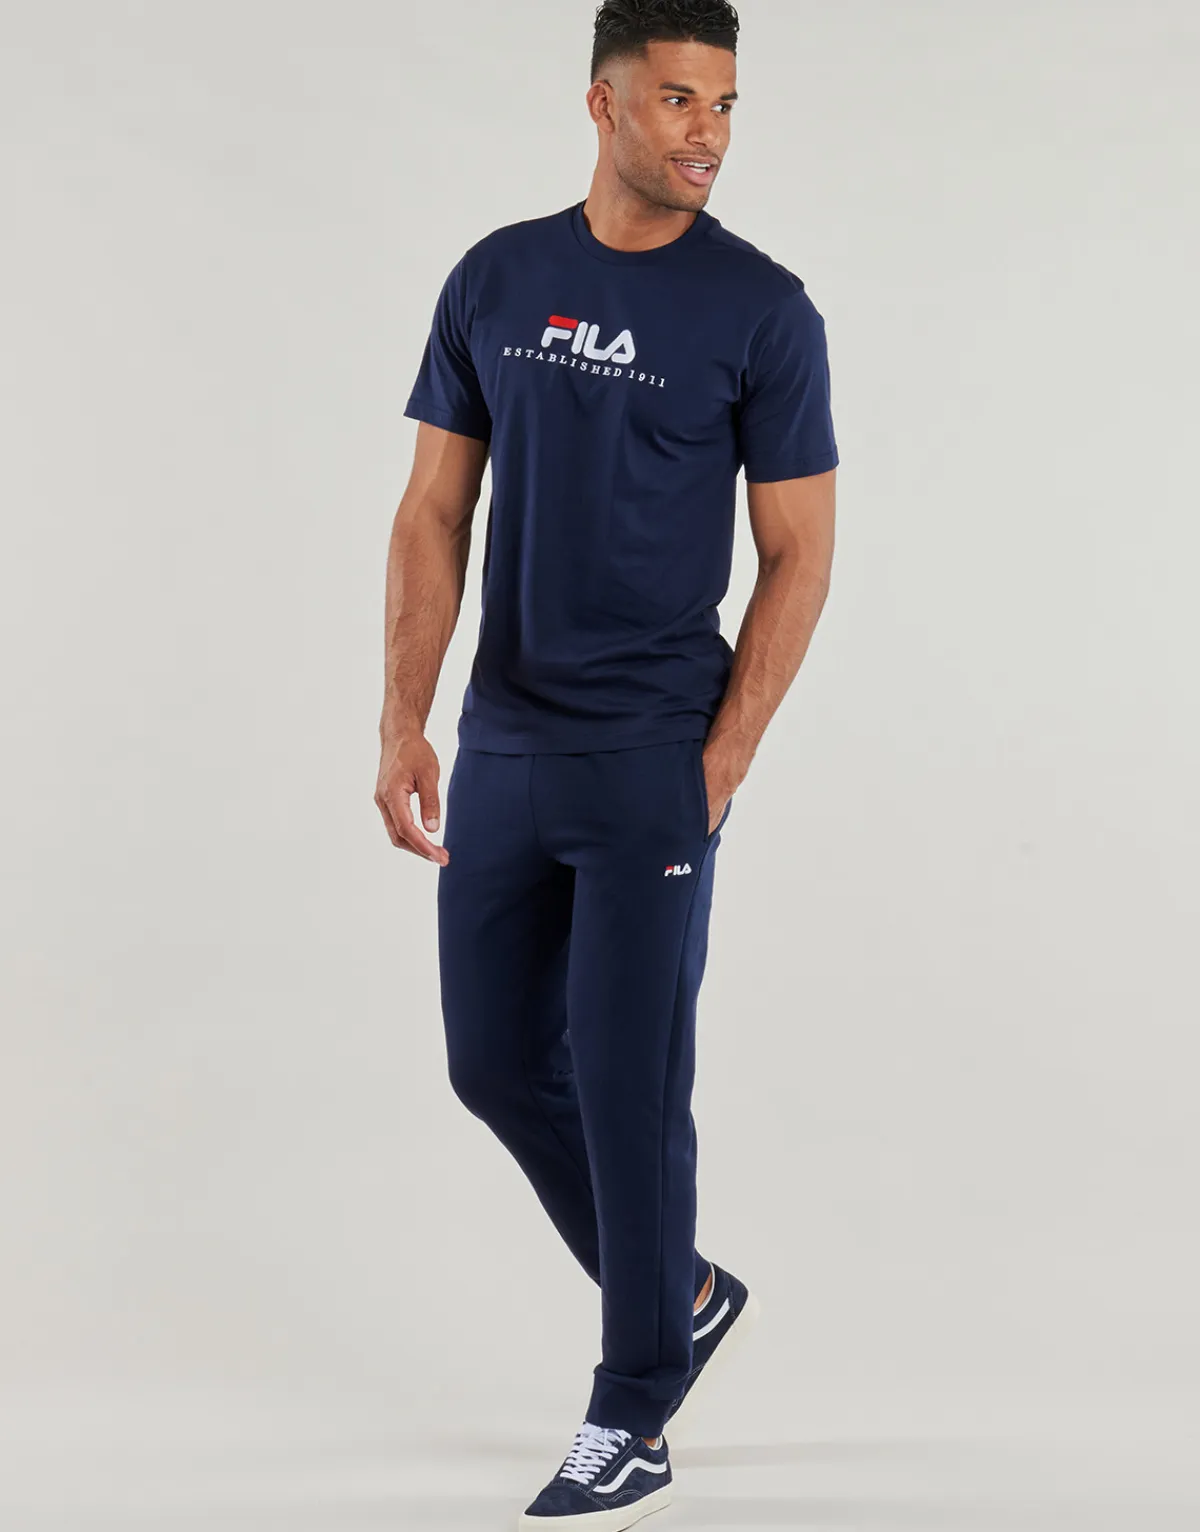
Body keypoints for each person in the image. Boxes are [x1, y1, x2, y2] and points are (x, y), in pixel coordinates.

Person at [375, 1, 838, 1525]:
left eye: (727, 105)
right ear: (604, 104)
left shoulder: (762, 310)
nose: (710, 133)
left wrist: (724, 757)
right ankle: (682, 1293)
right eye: (681, 100)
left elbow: (800, 550)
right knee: (494, 1063)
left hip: (653, 753)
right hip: (504, 743)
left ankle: (633, 1402)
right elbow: (433, 508)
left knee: (633, 1087)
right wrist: (402, 717)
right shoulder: (499, 279)